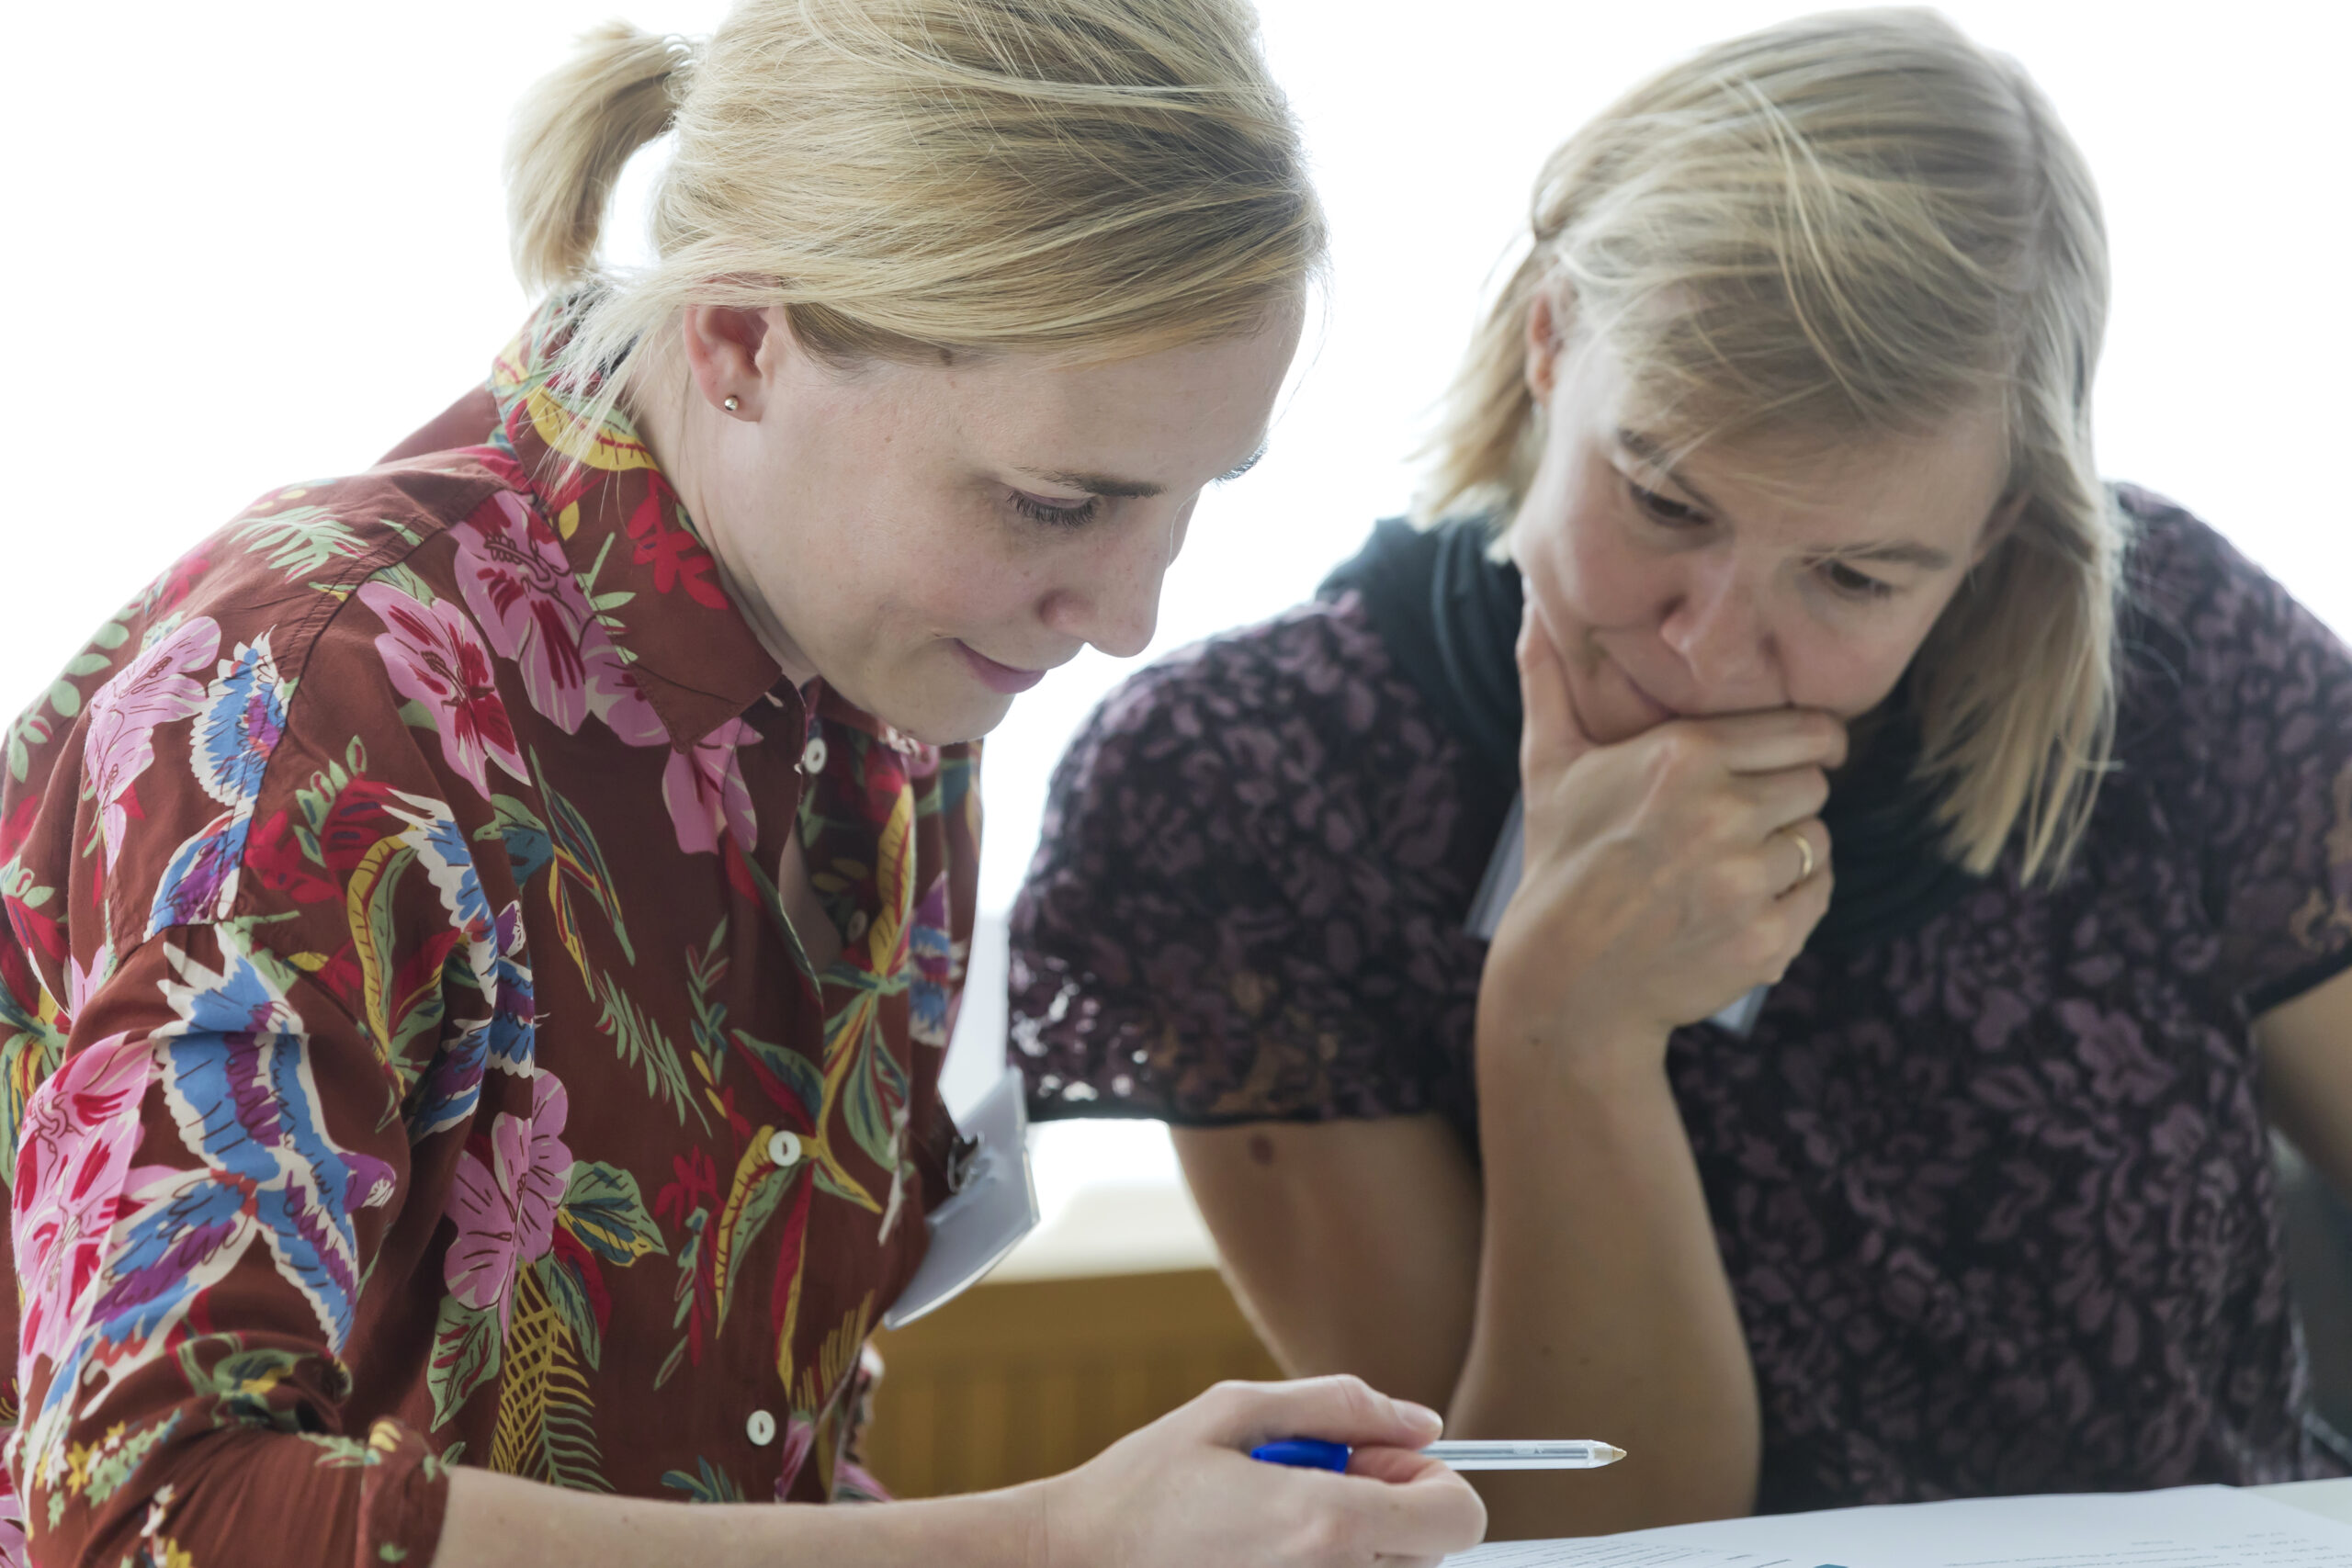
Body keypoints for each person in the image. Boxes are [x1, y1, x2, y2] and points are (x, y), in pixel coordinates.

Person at [0, 4, 1491, 1565]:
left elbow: (740, 1468)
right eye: (1057, 505)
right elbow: (150, 1517)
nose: (1128, 619)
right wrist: (1044, 1547)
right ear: (739, 343)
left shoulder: (896, 687)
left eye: (1194, 499)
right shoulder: (319, 713)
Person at [1010, 6, 2352, 1541]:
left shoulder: (2166, 656)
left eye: (1853, 578)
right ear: (1550, 339)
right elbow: (1563, 1532)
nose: (1711, 654)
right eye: (1662, 500)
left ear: (1995, 533)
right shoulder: (1237, 791)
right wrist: (1566, 1030)